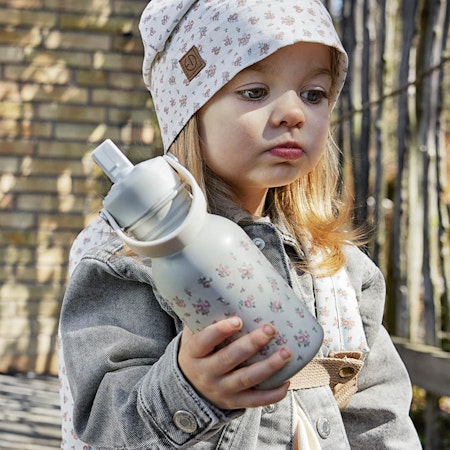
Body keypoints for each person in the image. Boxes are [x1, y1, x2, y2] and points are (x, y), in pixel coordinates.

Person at [59, 0, 422, 448]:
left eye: (314, 94)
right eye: (254, 91)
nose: (294, 112)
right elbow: (103, 420)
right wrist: (188, 388)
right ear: (189, 112)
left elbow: (380, 416)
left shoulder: (339, 269)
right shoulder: (132, 259)